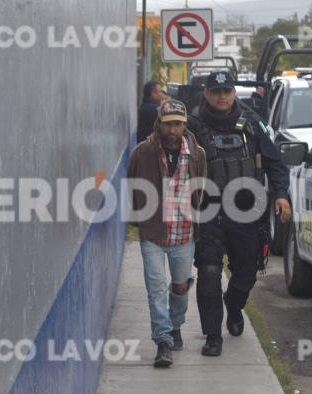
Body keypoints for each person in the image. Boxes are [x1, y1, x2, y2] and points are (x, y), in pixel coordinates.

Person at [188, 72, 292, 357]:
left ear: (233, 93)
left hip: (247, 212)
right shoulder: (193, 127)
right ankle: (212, 336)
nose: (222, 96)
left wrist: (281, 195)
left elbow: (276, 164)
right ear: (206, 94)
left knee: (246, 272)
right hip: (208, 212)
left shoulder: (251, 125)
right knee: (209, 271)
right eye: (216, 91)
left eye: (227, 91)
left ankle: (233, 307)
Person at [128, 99, 207, 367]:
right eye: (168, 125)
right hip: (153, 232)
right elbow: (132, 184)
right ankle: (163, 342)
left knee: (180, 286)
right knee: (156, 287)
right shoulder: (143, 152)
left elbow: (201, 189)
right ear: (159, 125)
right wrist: (137, 216)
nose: (173, 130)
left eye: (178, 125)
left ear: (185, 125)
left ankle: (175, 325)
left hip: (184, 233)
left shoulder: (198, 154)